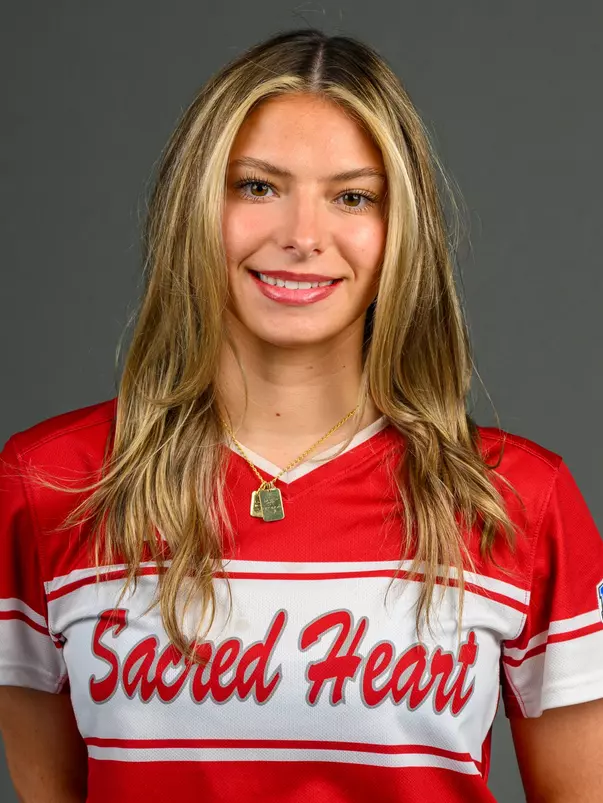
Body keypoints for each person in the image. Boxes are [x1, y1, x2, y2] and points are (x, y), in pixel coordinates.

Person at [0, 27, 602, 803]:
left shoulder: (518, 498)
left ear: (399, 233)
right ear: (197, 205)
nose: (301, 237)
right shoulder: (46, 483)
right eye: (257, 187)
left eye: (352, 196)